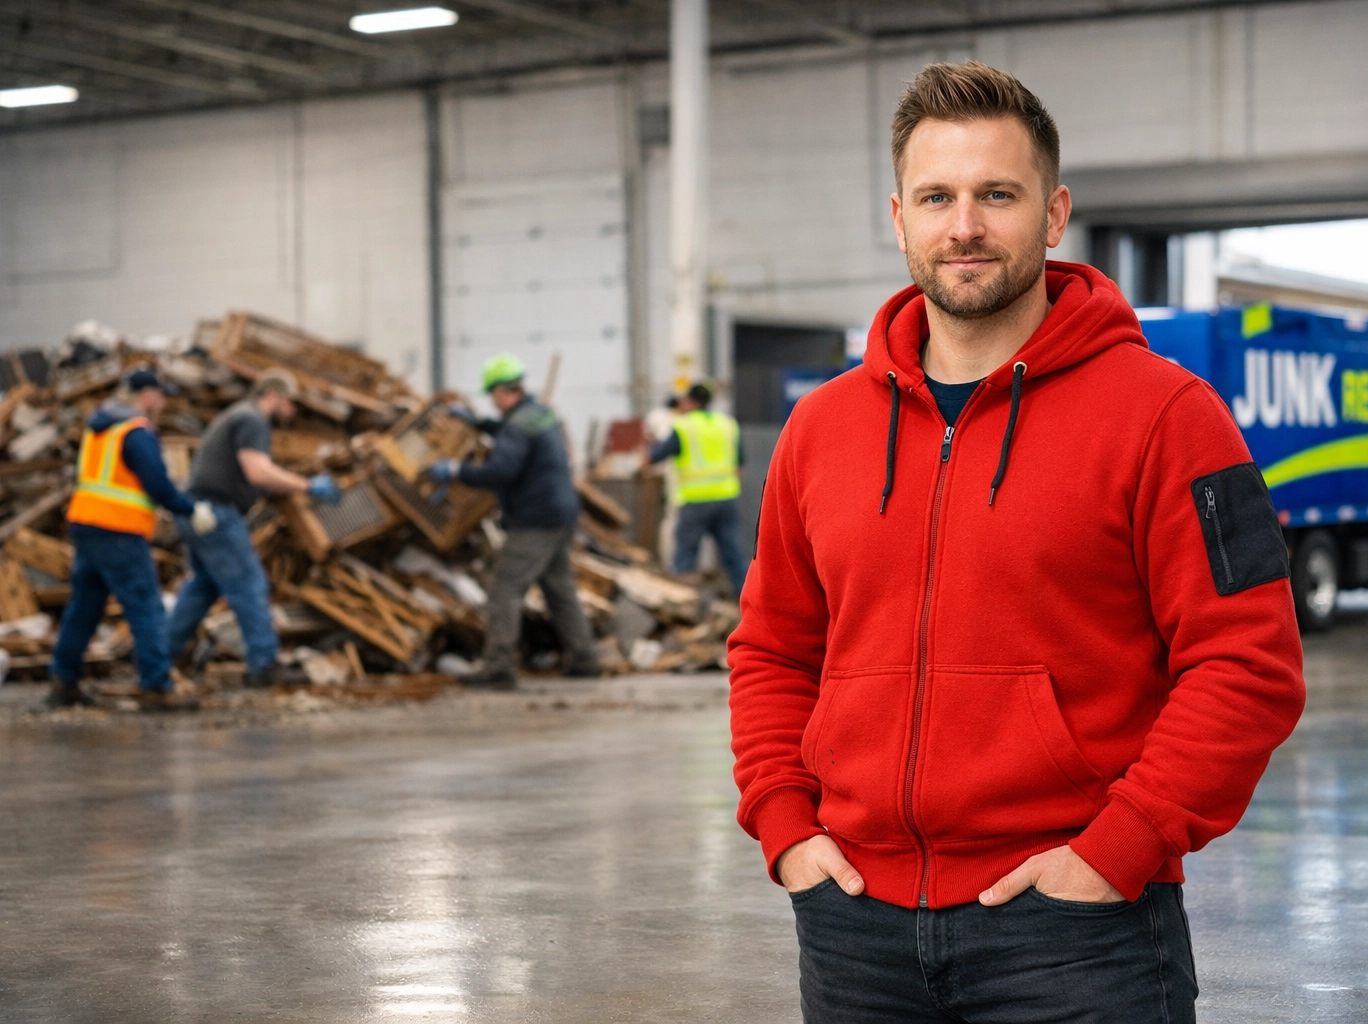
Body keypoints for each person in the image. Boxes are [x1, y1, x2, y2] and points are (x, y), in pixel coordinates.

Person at [728, 61, 1307, 1023]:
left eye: (997, 194)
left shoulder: (1167, 416)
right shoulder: (821, 430)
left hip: (1076, 934)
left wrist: (1122, 845)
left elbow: (1247, 662)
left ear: (1052, 212)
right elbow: (774, 648)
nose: (965, 225)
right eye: (937, 196)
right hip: (854, 929)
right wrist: (787, 827)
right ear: (899, 216)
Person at [429, 354, 600, 688]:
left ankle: (499, 667)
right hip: (561, 514)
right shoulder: (538, 414)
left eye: (493, 394)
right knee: (559, 590)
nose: (493, 401)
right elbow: (511, 433)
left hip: (536, 520)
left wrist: (454, 471)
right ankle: (585, 659)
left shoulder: (518, 425)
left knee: (504, 590)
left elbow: (501, 470)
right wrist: (479, 425)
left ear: (505, 392)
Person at [164, 368, 340, 688]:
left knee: (201, 588)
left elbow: (252, 478)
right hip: (216, 513)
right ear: (272, 395)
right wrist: (307, 485)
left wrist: (284, 485)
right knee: (249, 585)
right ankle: (264, 665)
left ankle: (160, 657)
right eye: (288, 402)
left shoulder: (235, 417)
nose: (291, 411)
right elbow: (258, 472)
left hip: (195, 511)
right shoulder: (252, 420)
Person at [49, 368, 209, 711]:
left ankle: (64, 680)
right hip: (119, 530)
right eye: (160, 394)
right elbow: (158, 484)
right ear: (146, 394)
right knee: (145, 605)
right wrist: (190, 508)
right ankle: (156, 684)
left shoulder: (99, 427)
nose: (162, 402)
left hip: (86, 525)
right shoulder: (135, 431)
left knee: (84, 607)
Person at [646, 382, 748, 595]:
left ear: (688, 401)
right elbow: (740, 466)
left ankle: (684, 606)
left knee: (685, 558)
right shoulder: (727, 424)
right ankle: (747, 604)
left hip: (695, 501)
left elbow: (654, 457)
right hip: (726, 498)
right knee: (734, 556)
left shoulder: (683, 426)